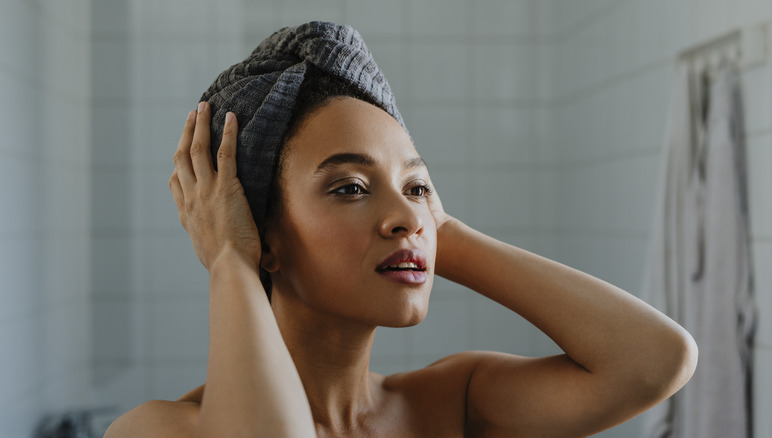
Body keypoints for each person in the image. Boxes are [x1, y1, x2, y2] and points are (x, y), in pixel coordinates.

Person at [105, 22, 697, 438]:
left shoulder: (452, 405)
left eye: (416, 187)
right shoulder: (158, 429)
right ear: (267, 238)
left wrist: (444, 232)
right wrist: (230, 259)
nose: (407, 216)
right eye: (350, 188)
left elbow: (654, 360)